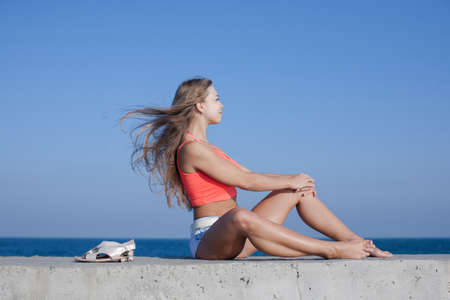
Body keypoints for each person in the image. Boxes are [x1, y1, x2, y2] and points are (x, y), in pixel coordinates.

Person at [121, 77, 393, 260]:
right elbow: (247, 180)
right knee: (240, 215)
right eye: (216, 99)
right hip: (211, 240)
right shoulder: (192, 150)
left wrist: (295, 182)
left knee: (300, 190)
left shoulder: (212, 149)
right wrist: (289, 177)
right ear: (200, 106)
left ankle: (361, 244)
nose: (222, 104)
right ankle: (333, 250)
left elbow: (253, 175)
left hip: (240, 235)